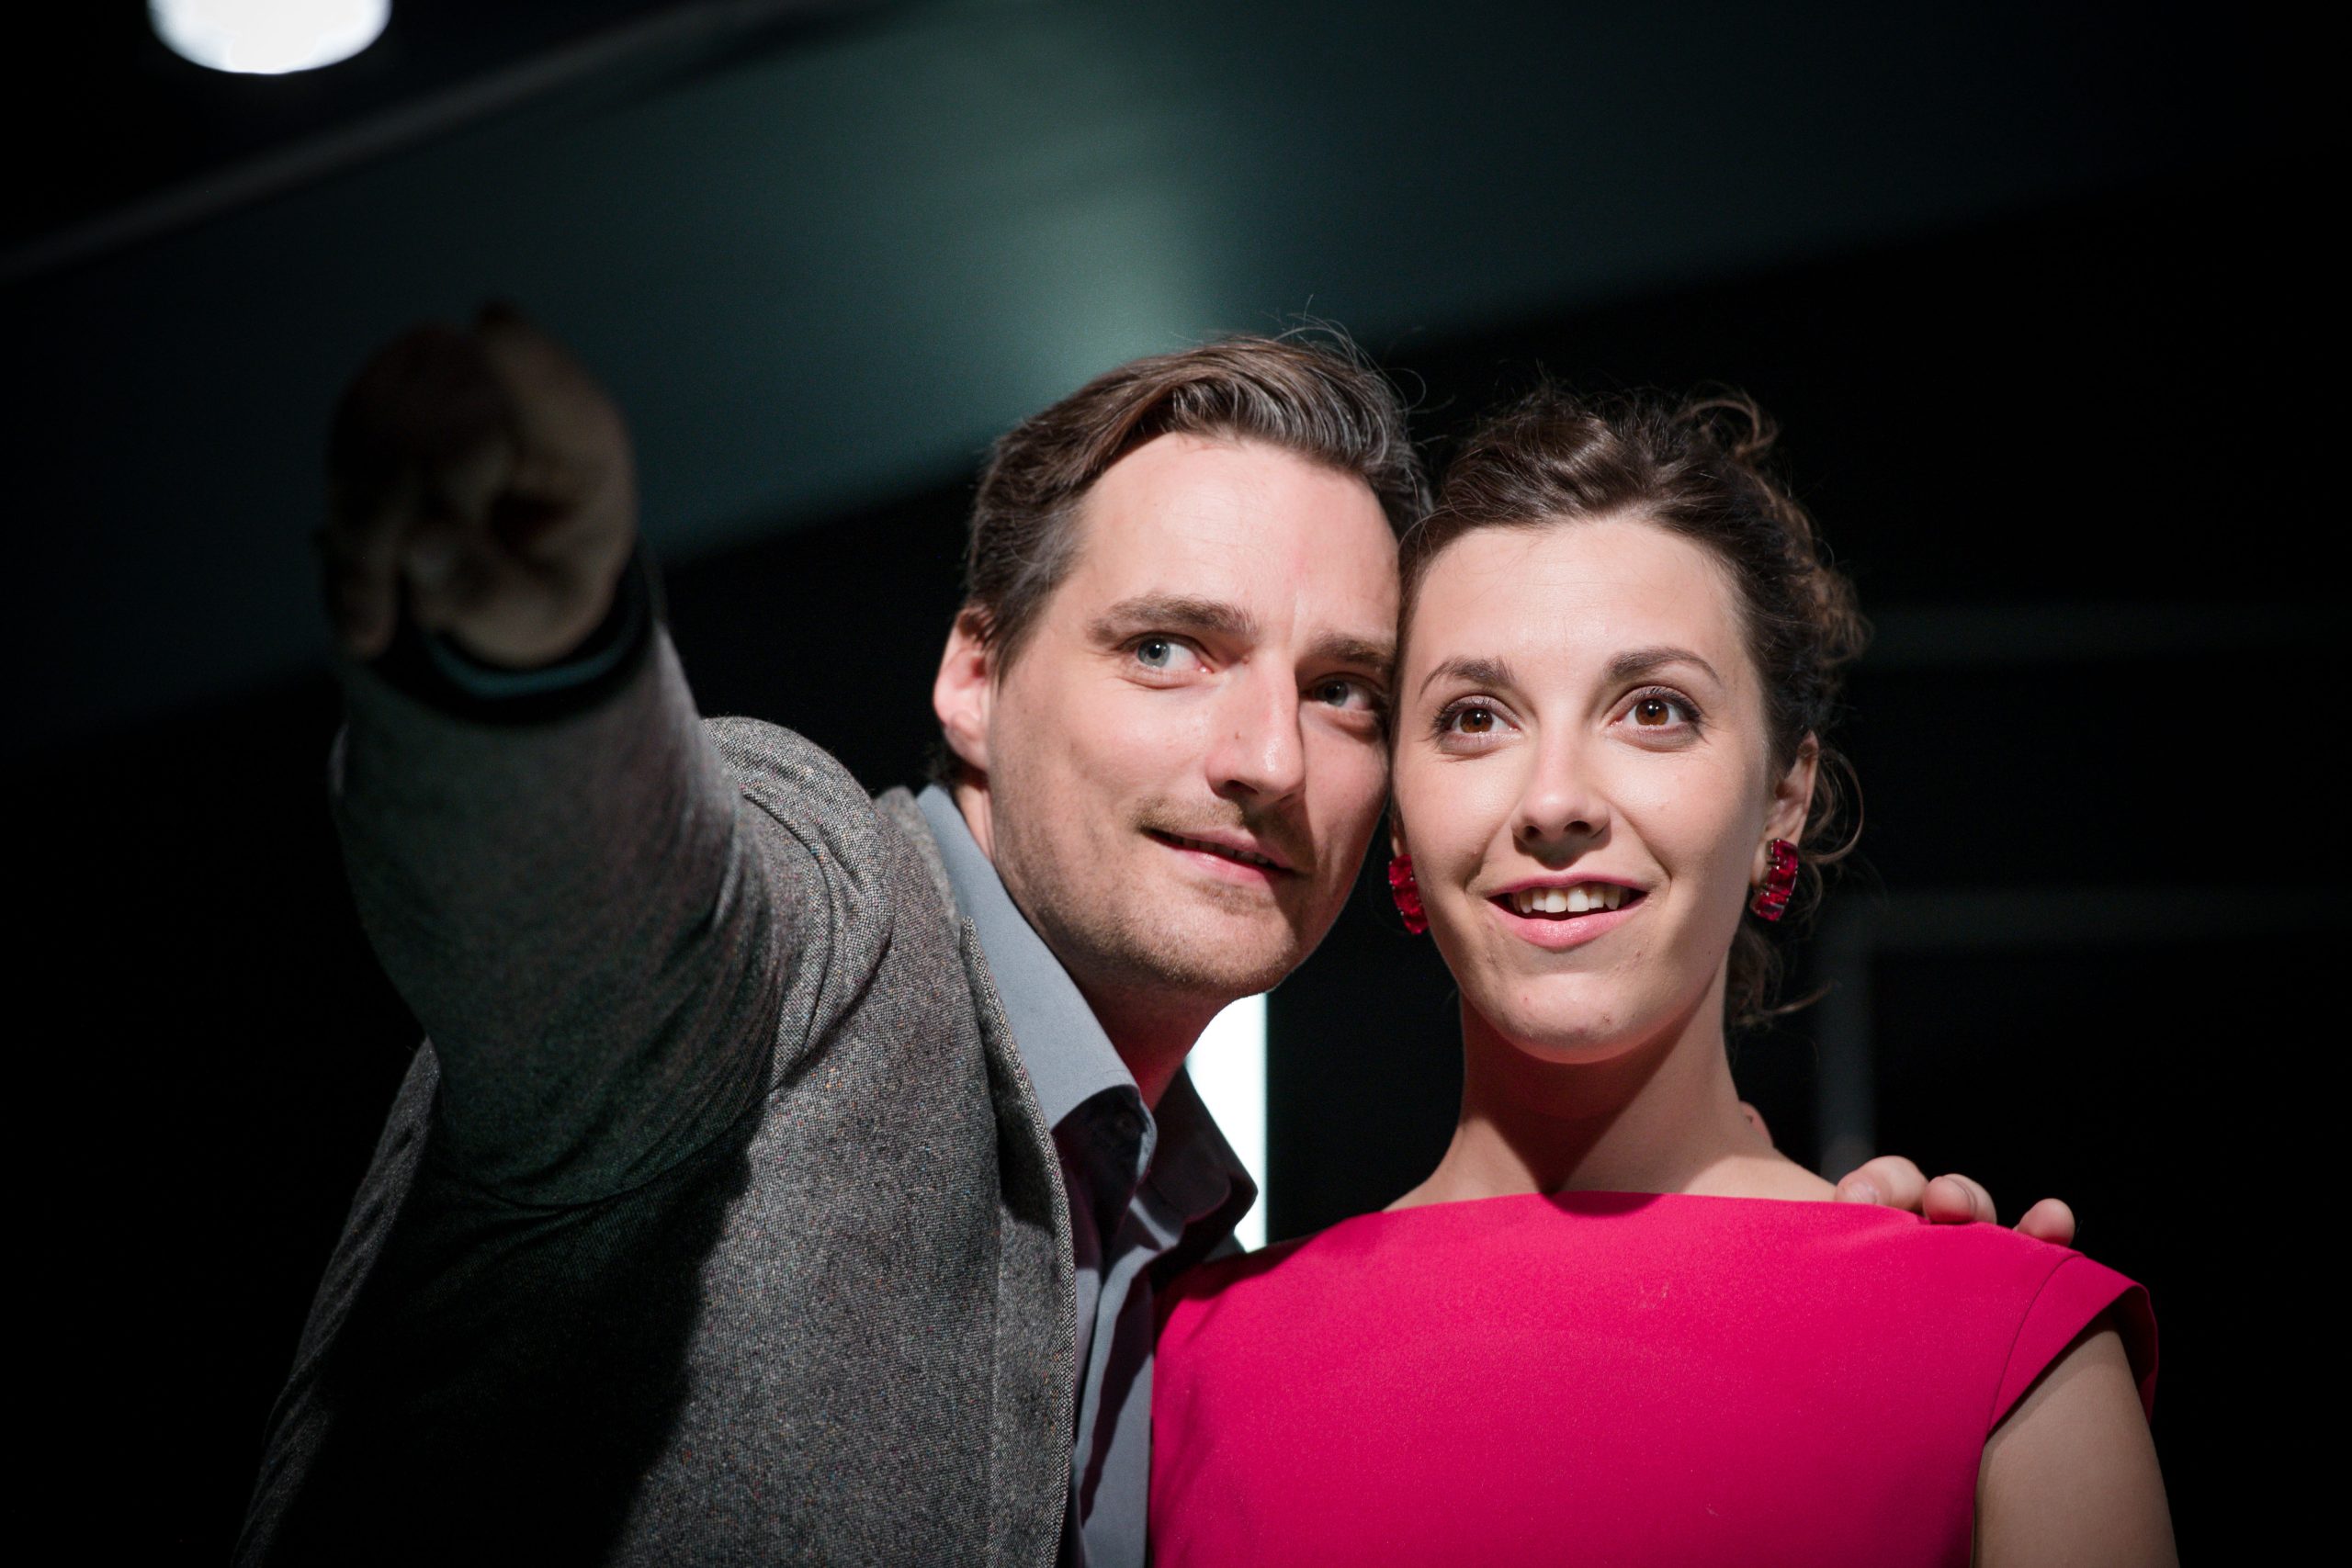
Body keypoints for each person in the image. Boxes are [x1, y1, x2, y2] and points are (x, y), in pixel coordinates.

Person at [242, 313, 2067, 1567]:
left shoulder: (1185, 1265)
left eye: (1344, 689)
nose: (1264, 755)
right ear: (974, 674)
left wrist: (1827, 1295)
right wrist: (525, 650)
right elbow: (594, 908)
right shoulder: (817, 933)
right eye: (1168, 648)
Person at [1150, 388, 2174, 1567]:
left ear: (1783, 793)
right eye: (1475, 718)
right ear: (1396, 811)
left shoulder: (2012, 1352)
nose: (1554, 801)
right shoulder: (1181, 1371)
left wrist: (1941, 1318)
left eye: (1652, 710)